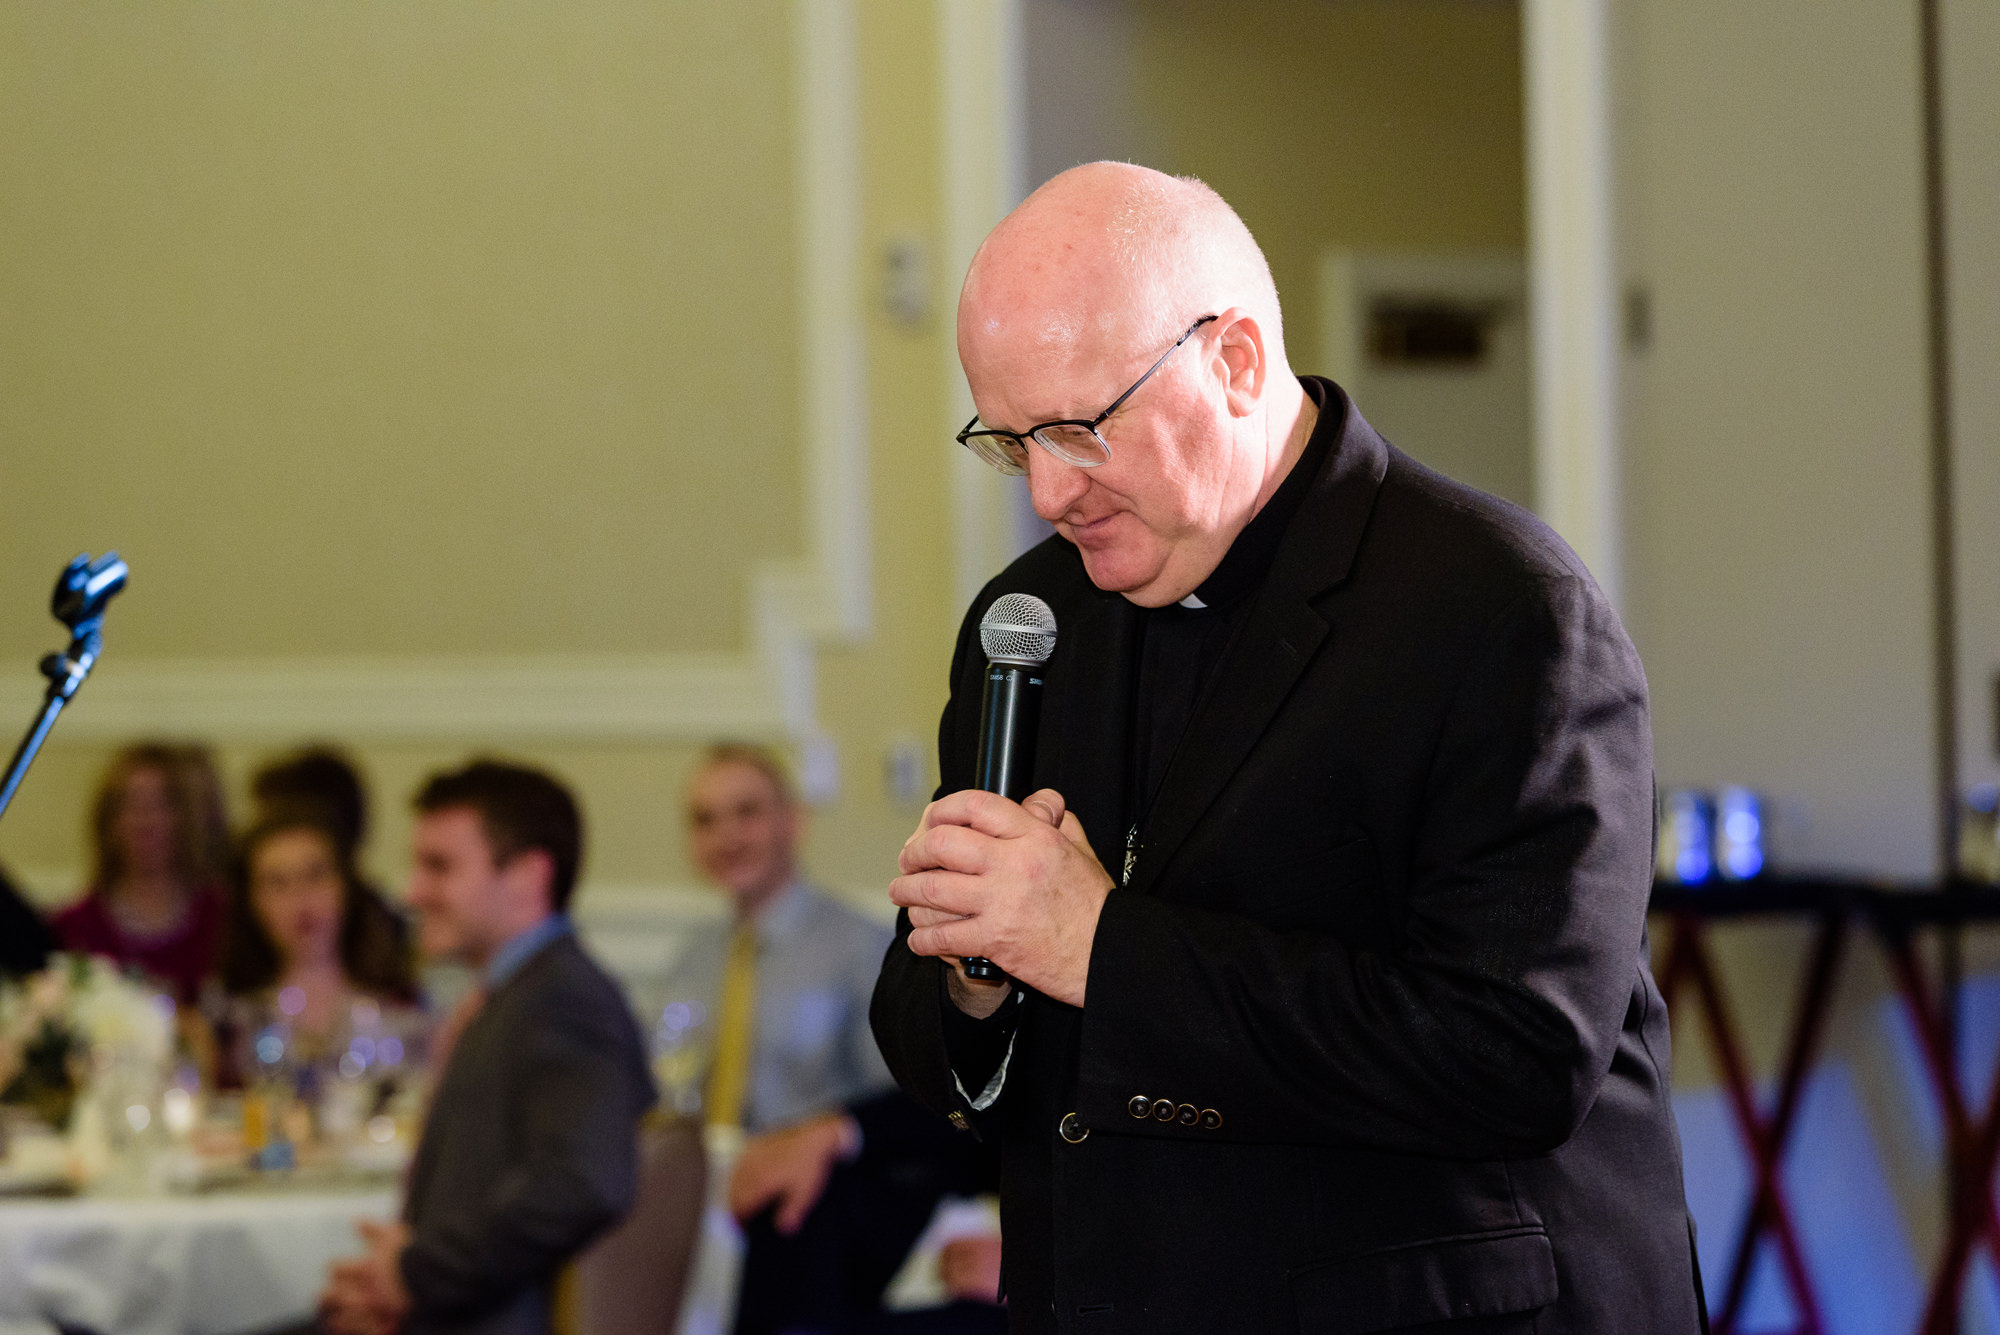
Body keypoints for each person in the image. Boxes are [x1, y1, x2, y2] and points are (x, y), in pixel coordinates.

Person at [871, 163, 1705, 1334]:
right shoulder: (1031, 622)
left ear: (1235, 363)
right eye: (1009, 443)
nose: (1048, 493)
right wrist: (975, 972)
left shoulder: (1498, 609)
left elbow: (1516, 1056)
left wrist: (1097, 946)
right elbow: (937, 1032)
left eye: (1076, 430)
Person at [669, 744, 1001, 1335]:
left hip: (815, 1205)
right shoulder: (691, 959)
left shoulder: (861, 948)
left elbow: (911, 1099)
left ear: (793, 821)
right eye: (705, 819)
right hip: (710, 1192)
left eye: (746, 811)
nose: (727, 835)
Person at [314, 760, 653, 1335]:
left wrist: (416, 1275)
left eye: (439, 867)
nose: (412, 890)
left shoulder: (563, 1001)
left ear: (526, 878)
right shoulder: (521, 995)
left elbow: (583, 1182)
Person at [213, 810, 424, 1095]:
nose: (301, 900)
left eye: (315, 876)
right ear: (251, 899)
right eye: (278, 883)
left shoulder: (400, 1001)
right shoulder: (228, 1015)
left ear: (347, 883)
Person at [51, 742, 230, 1005]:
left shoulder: (224, 919)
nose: (145, 821)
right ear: (109, 822)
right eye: (131, 804)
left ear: (185, 817)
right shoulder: (74, 928)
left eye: (161, 804)